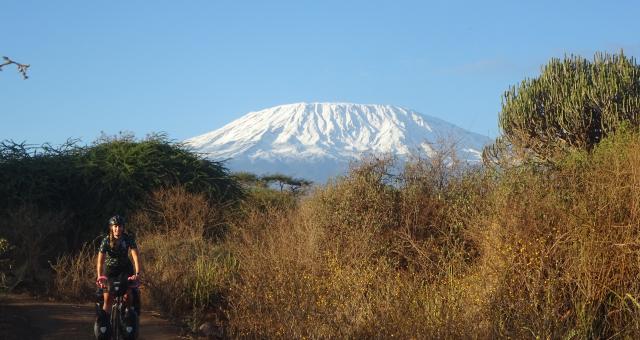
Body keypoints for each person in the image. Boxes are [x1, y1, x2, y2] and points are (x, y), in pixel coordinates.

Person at [96, 215, 142, 316]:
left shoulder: (128, 239)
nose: (117, 229)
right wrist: (100, 276)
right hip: (110, 270)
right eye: (115, 226)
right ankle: (104, 325)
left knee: (128, 296)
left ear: (123, 227)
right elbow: (100, 261)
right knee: (108, 299)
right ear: (111, 227)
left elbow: (135, 256)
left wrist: (137, 273)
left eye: (120, 226)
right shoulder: (106, 240)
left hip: (125, 269)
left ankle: (128, 316)